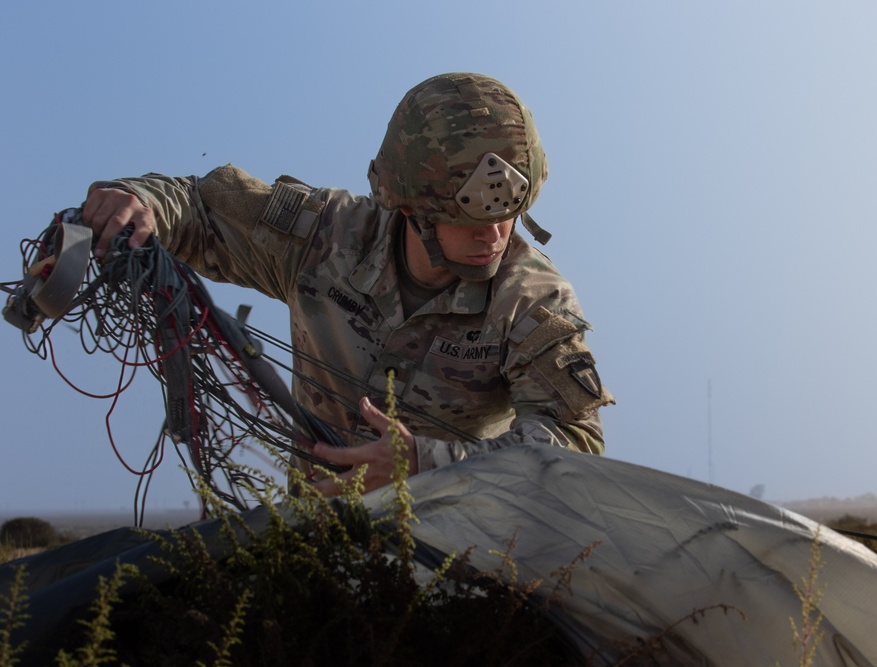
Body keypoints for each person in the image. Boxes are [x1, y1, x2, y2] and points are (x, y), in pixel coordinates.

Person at [82, 72, 614, 497]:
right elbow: (199, 207)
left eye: (512, 214)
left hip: (458, 562)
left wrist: (425, 463)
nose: (494, 235)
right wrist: (138, 201)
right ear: (411, 207)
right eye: (469, 218)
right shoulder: (325, 236)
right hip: (317, 541)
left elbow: (574, 444)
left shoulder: (532, 300)